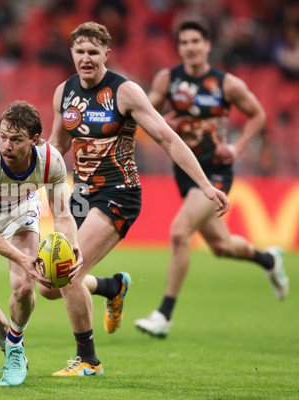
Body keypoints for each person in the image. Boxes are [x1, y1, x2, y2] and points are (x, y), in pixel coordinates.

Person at [36, 21, 230, 376]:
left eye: (93, 52)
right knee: (49, 286)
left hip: (118, 194)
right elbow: (58, 145)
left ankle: (89, 361)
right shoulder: (63, 92)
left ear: (107, 54)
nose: (86, 58)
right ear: (72, 54)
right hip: (80, 193)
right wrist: (26, 176)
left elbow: (168, 139)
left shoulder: (125, 92)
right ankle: (112, 286)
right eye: (80, 51)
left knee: (70, 274)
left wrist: (204, 184)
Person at [134, 20, 289, 338]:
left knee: (179, 233)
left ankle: (164, 315)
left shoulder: (224, 84)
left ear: (207, 45)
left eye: (196, 41)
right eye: (184, 42)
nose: (190, 47)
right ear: (179, 48)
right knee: (220, 246)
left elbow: (258, 113)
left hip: (216, 171)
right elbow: (145, 115)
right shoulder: (168, 79)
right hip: (184, 171)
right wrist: (164, 120)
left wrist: (238, 146)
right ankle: (268, 259)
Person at [0, 100, 83, 386]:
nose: (6, 145)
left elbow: (63, 215)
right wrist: (21, 257)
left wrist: (73, 244)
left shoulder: (51, 162)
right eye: (3, 136)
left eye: (16, 139)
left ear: (34, 140)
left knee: (25, 285)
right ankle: (12, 349)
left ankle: (14, 346)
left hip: (22, 209)